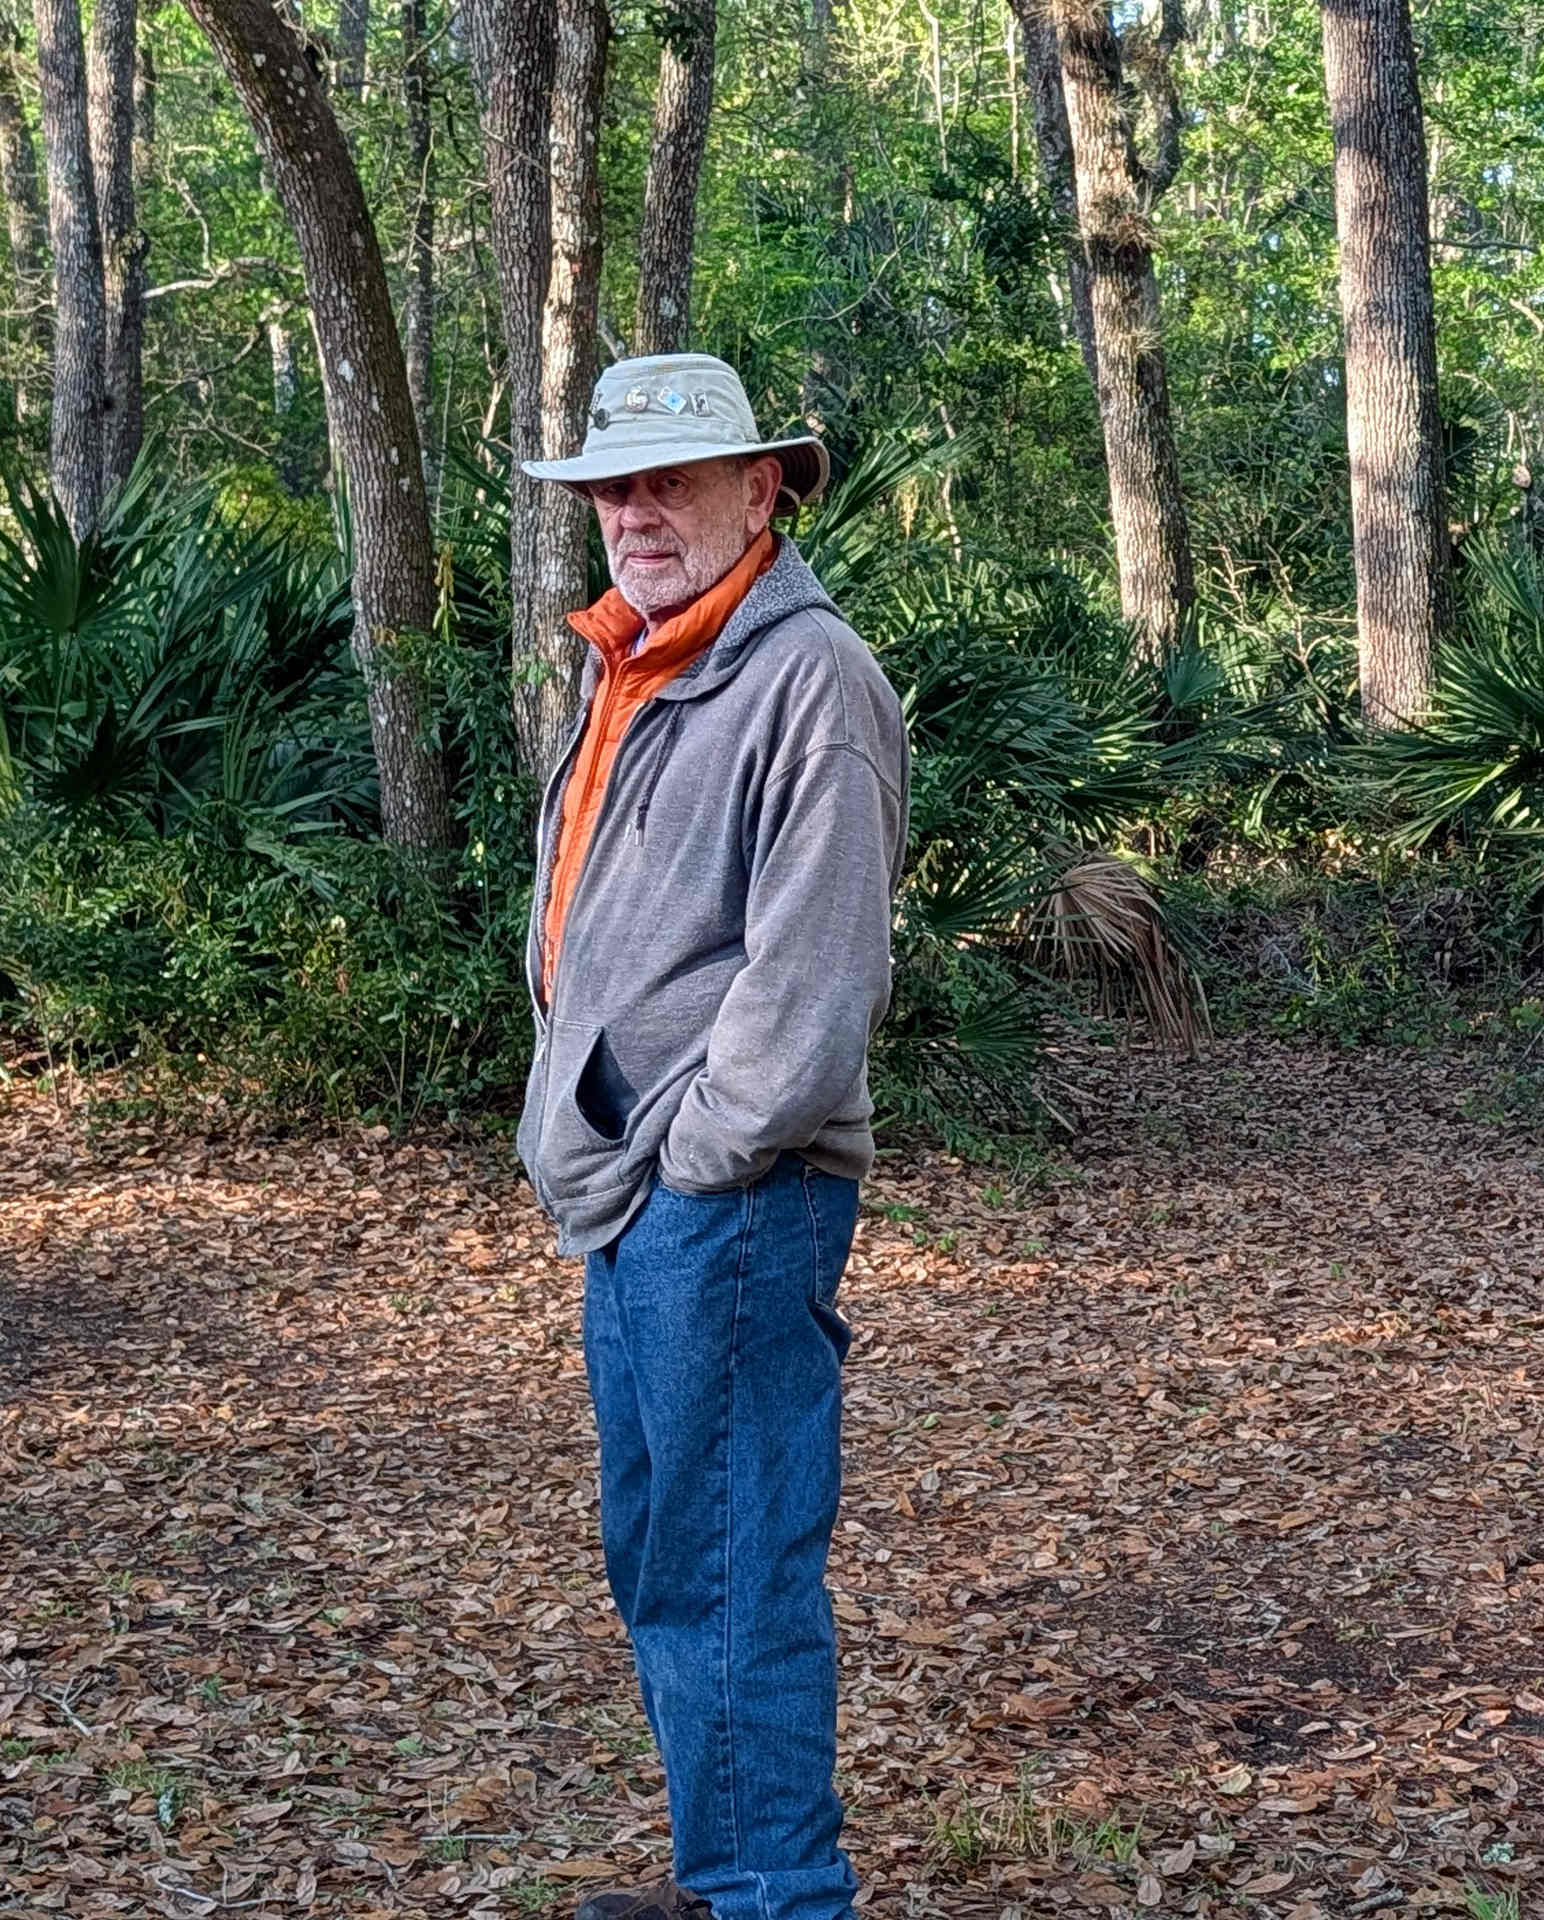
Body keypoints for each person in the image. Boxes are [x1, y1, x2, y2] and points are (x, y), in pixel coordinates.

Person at [515, 353, 908, 1920]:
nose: (633, 513)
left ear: (764, 489)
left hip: (729, 1199)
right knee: (670, 1556)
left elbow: (812, 981)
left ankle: (772, 1899)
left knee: (735, 1563)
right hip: (637, 1197)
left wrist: (693, 1155)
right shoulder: (649, 660)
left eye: (669, 480)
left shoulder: (807, 677)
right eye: (614, 485)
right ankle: (731, 1875)